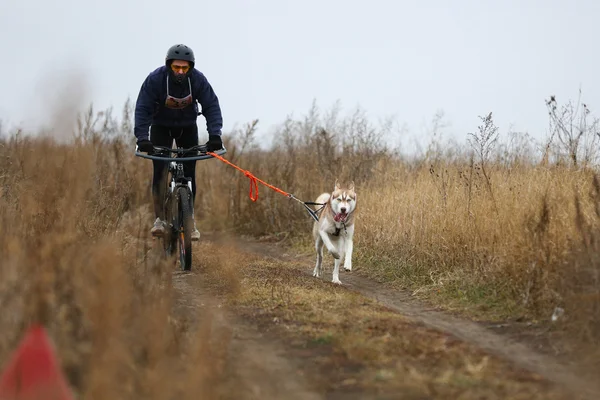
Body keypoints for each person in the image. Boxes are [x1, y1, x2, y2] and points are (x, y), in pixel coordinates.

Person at [134, 43, 224, 240]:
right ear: (169, 66)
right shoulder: (155, 79)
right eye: (176, 67)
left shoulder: (198, 80)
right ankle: (159, 219)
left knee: (190, 173)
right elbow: (143, 108)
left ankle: (189, 220)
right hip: (161, 128)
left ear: (190, 67)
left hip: (187, 128)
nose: (181, 72)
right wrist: (142, 138)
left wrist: (215, 135)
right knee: (160, 170)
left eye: (185, 68)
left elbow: (211, 106)